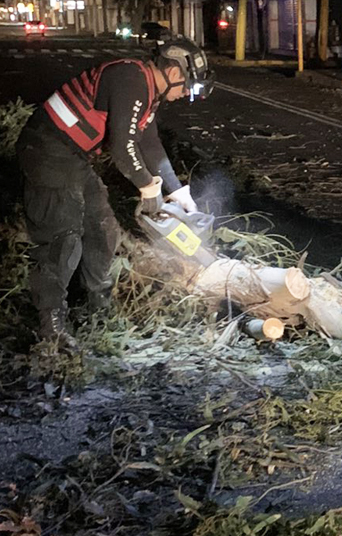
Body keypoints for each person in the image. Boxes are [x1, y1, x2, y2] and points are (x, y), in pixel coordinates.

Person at [16, 37, 210, 347]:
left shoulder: (149, 91)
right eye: (187, 86)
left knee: (102, 228)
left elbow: (149, 143)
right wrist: (147, 186)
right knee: (63, 238)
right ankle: (50, 327)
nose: (186, 93)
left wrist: (177, 191)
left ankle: (98, 307)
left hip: (74, 157)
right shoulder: (129, 79)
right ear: (174, 73)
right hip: (47, 150)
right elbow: (123, 146)